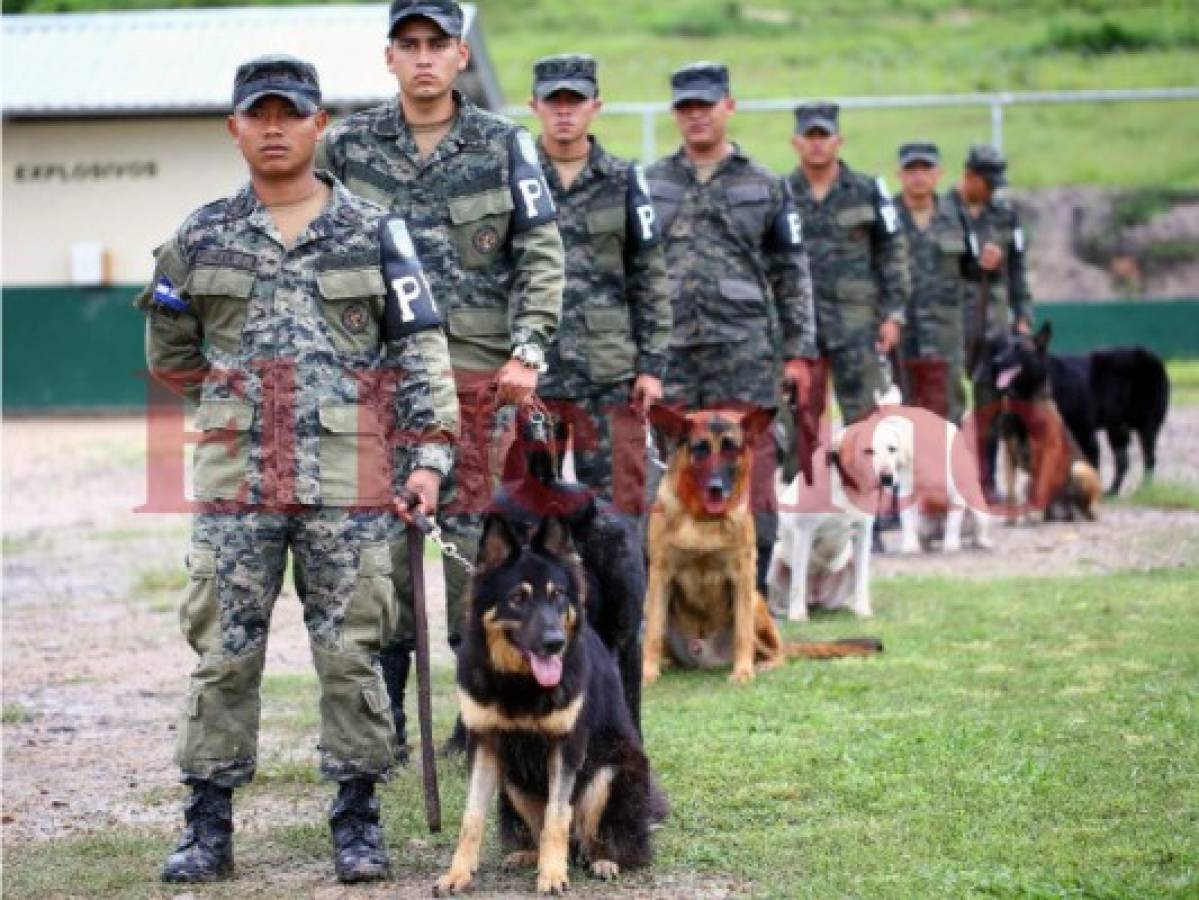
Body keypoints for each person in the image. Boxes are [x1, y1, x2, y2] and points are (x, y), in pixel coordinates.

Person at [138, 55, 456, 884]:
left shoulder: (375, 231)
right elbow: (171, 351)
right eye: (259, 113)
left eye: (291, 113)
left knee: (352, 651)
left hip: (349, 482)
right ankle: (207, 827)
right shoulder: (200, 235)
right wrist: (229, 406)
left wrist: (427, 458)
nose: (274, 127)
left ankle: (357, 822)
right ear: (234, 127)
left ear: (321, 124)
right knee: (222, 654)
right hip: (237, 484)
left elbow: (419, 351)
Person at [319, 0, 564, 756]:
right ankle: (386, 725)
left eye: (438, 45)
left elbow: (541, 253)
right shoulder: (347, 146)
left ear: (461, 56)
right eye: (409, 45)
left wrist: (527, 348)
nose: (423, 58)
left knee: (474, 557)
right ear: (388, 56)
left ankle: (474, 716)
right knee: (381, 563)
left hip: (477, 386)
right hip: (378, 385)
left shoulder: (504, 146)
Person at [646, 61, 817, 591]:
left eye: (706, 105)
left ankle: (753, 591)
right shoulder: (649, 183)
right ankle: (680, 594)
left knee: (752, 468)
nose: (696, 116)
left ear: (729, 106)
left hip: (745, 354)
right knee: (677, 470)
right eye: (686, 108)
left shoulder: (765, 185)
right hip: (673, 354)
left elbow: (792, 271)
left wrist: (799, 352)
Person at [527, 53, 671, 512]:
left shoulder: (625, 180)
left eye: (575, 100)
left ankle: (619, 588)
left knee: (617, 507)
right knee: (528, 508)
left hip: (608, 372)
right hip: (533, 371)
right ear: (536, 107)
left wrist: (651, 366)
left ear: (596, 106)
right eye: (554, 101)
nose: (564, 111)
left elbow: (648, 274)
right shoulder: (514, 176)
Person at [788, 102, 910, 428]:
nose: (817, 143)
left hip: (856, 326)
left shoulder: (867, 190)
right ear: (795, 142)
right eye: (809, 136)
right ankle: (804, 481)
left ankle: (863, 482)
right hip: (800, 332)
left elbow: (893, 253)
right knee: (801, 428)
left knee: (866, 427)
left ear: (838, 141)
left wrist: (893, 315)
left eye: (823, 136)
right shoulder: (780, 195)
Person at [948, 143, 1034, 493]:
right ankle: (950, 479)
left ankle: (986, 479)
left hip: (994, 324)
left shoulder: (1005, 216)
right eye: (988, 181)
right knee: (948, 405)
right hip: (950, 322)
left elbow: (1018, 269)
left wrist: (1023, 315)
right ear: (970, 176)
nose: (994, 189)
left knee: (990, 405)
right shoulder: (943, 211)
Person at [894, 141, 969, 423]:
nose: (918, 175)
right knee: (900, 416)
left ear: (939, 173)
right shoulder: (885, 218)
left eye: (926, 168)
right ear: (899, 174)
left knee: (948, 413)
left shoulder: (958, 217)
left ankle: (948, 467)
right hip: (901, 336)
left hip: (944, 337)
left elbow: (972, 276)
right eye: (911, 169)